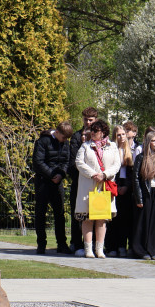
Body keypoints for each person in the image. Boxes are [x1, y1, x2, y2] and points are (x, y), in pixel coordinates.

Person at [73, 119, 121, 258]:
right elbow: (79, 162)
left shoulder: (112, 146)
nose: (92, 133)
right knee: (87, 218)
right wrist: (93, 174)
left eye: (96, 131)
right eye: (91, 130)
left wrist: (104, 174)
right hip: (88, 186)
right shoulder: (85, 146)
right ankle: (88, 249)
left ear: (103, 132)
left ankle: (99, 249)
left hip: (104, 186)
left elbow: (117, 164)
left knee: (101, 218)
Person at [32, 121, 74, 255]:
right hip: (43, 181)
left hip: (57, 182)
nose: (65, 140)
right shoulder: (43, 141)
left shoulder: (65, 143)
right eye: (63, 137)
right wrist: (51, 174)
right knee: (40, 213)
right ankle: (41, 244)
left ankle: (62, 244)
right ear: (57, 132)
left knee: (60, 214)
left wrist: (61, 175)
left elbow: (66, 161)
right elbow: (38, 162)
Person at [131, 131, 155, 260]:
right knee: (143, 222)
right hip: (145, 192)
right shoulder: (141, 158)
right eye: (153, 141)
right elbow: (136, 178)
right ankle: (140, 250)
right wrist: (139, 198)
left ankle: (153, 250)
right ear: (148, 142)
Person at [69, 107, 98, 255]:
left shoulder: (100, 137)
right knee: (78, 214)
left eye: (91, 120)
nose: (88, 122)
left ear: (96, 120)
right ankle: (77, 243)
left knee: (96, 215)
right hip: (79, 182)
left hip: (96, 183)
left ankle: (95, 245)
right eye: (86, 119)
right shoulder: (76, 137)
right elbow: (74, 161)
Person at [105, 124, 136, 257]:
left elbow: (132, 172)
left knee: (125, 218)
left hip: (126, 187)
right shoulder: (110, 150)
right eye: (119, 135)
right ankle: (111, 246)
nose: (122, 137)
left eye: (123, 134)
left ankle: (122, 246)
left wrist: (127, 186)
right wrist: (116, 186)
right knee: (113, 218)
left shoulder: (130, 151)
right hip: (113, 185)